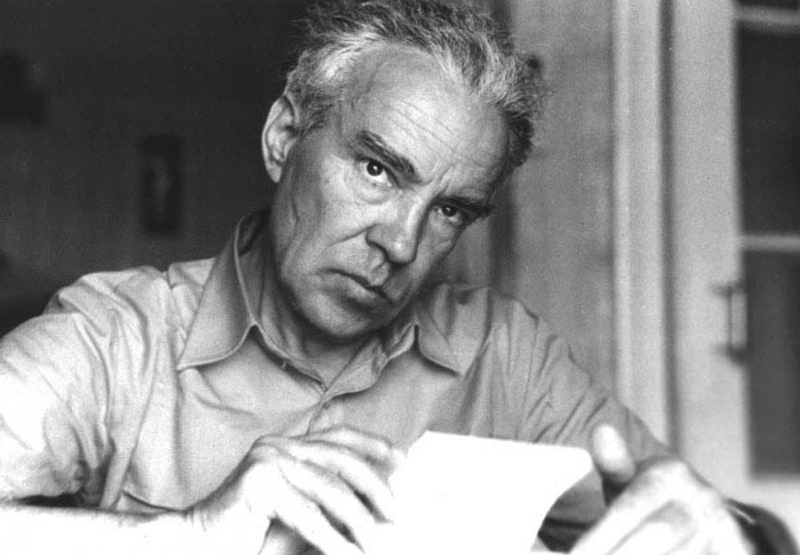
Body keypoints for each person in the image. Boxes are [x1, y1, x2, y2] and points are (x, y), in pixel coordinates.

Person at [0, 0, 794, 554]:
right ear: (283, 137)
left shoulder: (506, 356)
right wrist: (189, 536)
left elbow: (706, 519)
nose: (401, 240)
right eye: (378, 169)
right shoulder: (118, 337)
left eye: (450, 209)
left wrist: (739, 536)